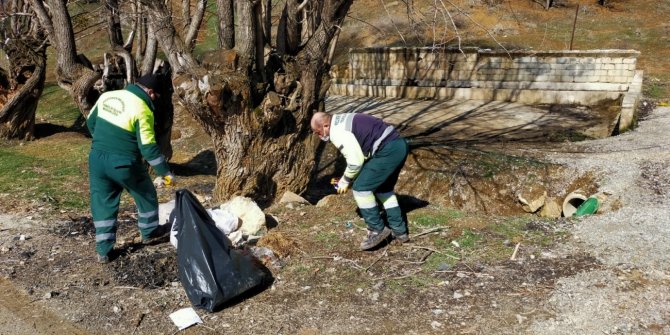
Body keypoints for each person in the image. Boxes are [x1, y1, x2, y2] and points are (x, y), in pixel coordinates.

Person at [87, 74, 175, 263]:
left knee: (102, 202)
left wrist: (103, 142)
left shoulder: (107, 96)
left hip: (96, 159)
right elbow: (148, 147)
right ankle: (150, 232)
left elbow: (90, 121)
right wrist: (164, 173)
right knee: (145, 193)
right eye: (155, 96)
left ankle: (104, 250)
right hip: (124, 162)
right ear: (150, 92)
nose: (154, 100)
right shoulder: (142, 109)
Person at [311, 111, 410, 250]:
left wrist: (346, 180)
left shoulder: (337, 132)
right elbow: (361, 157)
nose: (318, 135)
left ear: (326, 125)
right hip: (399, 145)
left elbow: (355, 162)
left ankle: (377, 229)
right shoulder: (341, 119)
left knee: (361, 189)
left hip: (387, 150)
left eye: (318, 131)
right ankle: (400, 231)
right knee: (384, 190)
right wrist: (349, 177)